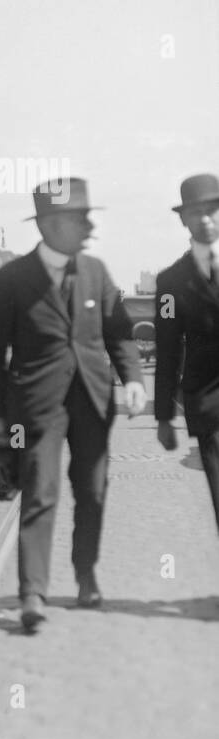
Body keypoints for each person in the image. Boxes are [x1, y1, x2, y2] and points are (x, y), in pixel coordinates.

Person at [0, 178, 145, 633]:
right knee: (40, 491)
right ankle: (32, 591)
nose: (89, 227)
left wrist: (132, 379)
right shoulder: (11, 280)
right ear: (50, 225)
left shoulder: (96, 271)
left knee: (92, 491)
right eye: (79, 219)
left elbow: (119, 334)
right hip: (36, 405)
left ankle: (86, 571)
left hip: (92, 399)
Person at [154, 173, 219, 530]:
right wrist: (164, 416)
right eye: (196, 213)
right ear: (183, 219)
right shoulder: (170, 283)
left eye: (212, 210)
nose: (206, 220)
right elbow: (166, 351)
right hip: (210, 405)